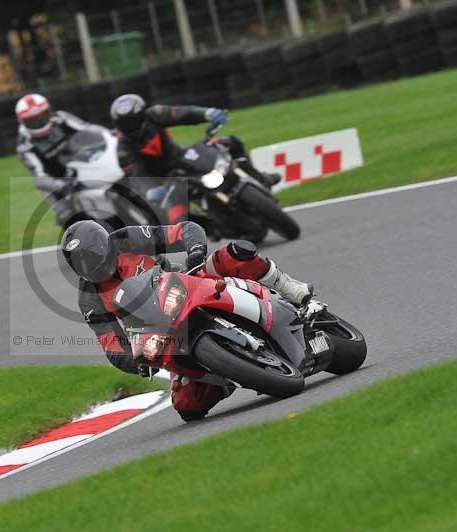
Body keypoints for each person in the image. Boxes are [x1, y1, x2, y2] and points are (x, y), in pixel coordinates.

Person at [61, 219, 312, 421]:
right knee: (186, 405)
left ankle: (290, 288)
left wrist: (195, 252)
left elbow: (184, 230)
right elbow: (112, 346)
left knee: (233, 254)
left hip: (186, 285)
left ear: (105, 243)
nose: (90, 265)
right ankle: (230, 373)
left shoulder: (128, 239)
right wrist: (137, 363)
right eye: (81, 263)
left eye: (92, 255)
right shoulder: (90, 300)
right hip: (165, 332)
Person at [109, 93, 280, 224]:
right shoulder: (123, 148)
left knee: (230, 142)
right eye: (125, 123)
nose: (131, 127)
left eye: (133, 120)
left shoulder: (155, 114)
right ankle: (206, 229)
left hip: (181, 158)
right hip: (163, 183)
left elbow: (184, 114)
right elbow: (136, 175)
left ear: (142, 114)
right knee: (175, 220)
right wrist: (149, 191)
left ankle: (260, 178)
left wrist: (207, 113)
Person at [16, 93, 97, 227]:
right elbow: (39, 178)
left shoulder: (61, 118)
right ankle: (81, 243)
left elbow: (88, 129)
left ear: (50, 112)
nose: (40, 123)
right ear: (22, 122)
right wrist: (61, 185)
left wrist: (109, 135)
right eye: (33, 121)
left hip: (79, 166)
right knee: (67, 216)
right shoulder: (24, 145)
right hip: (55, 182)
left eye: (43, 117)